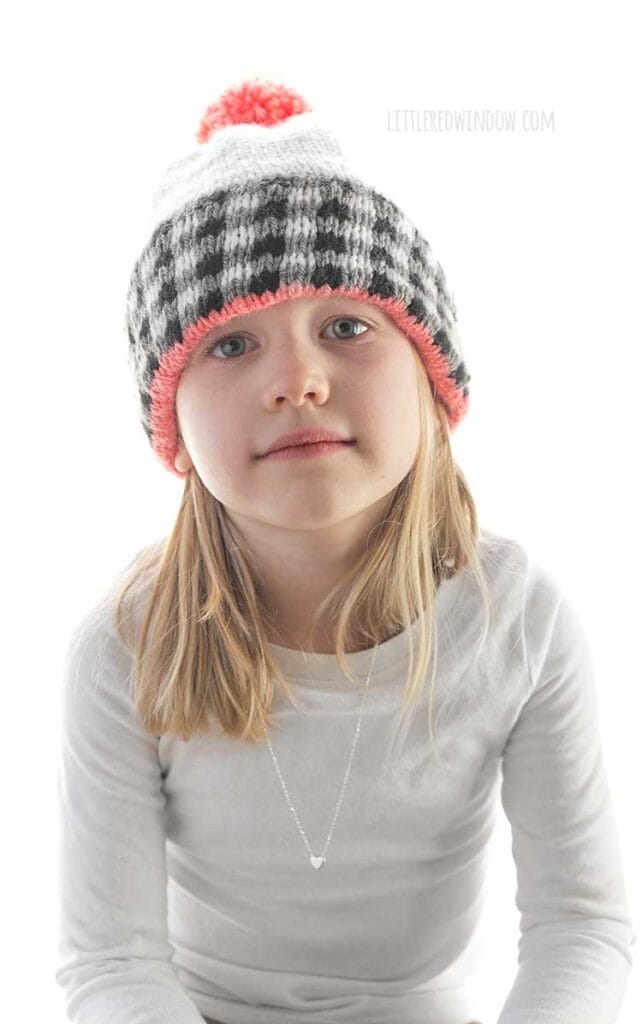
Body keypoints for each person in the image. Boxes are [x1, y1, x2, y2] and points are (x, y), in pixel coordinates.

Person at [54, 78, 635, 1024]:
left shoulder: (519, 620)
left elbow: (581, 925)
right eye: (232, 345)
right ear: (172, 415)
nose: (299, 381)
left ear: (429, 373)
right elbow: (114, 964)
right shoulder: (123, 648)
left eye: (347, 327)